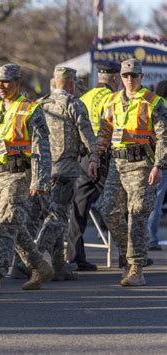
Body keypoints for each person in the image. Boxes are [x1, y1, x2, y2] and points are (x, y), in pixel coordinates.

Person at [0, 63, 54, 294]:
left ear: (17, 82)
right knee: (11, 224)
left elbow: (41, 148)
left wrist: (39, 180)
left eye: (6, 81)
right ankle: (39, 264)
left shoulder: (31, 110)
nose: (1, 86)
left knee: (6, 223)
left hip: (19, 175)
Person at [88, 59, 166, 286]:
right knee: (108, 211)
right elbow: (105, 131)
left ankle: (136, 268)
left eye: (134, 75)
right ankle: (128, 255)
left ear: (141, 77)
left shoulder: (153, 102)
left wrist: (159, 165)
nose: (129, 80)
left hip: (142, 165)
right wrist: (95, 157)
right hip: (117, 164)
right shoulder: (112, 101)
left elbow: (164, 136)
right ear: (120, 77)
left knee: (137, 216)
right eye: (125, 76)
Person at [35, 66, 97, 281]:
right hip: (65, 168)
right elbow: (88, 137)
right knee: (58, 216)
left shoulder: (41, 104)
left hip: (43, 169)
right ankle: (34, 259)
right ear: (71, 83)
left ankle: (59, 266)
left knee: (52, 214)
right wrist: (96, 157)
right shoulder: (74, 104)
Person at [67, 61, 121, 271]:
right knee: (119, 207)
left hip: (84, 160)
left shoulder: (85, 97)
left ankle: (75, 257)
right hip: (106, 158)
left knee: (78, 210)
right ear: (115, 77)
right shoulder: (113, 98)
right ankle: (128, 257)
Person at [147, 80, 167, 251]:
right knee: (156, 202)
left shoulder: (154, 104)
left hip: (156, 159)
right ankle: (150, 238)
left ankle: (150, 237)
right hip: (163, 163)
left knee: (154, 200)